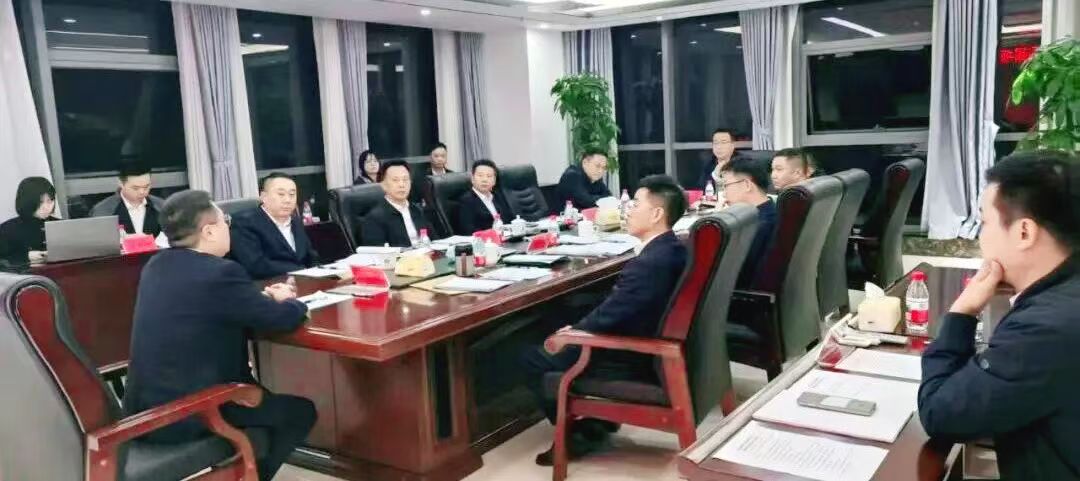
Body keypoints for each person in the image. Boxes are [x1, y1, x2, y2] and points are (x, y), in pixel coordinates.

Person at [123, 189, 315, 481]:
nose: (229, 228)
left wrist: (256, 301)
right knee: (300, 412)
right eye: (226, 221)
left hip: (145, 410)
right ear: (209, 231)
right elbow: (281, 319)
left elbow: (206, 306)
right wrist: (291, 302)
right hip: (193, 411)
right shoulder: (221, 273)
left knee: (266, 404)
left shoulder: (155, 266)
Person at [918, 150, 1080, 481]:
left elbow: (940, 413)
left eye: (984, 222)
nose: (981, 238)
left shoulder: (1045, 329)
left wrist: (962, 310)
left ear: (1024, 232)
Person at [522, 174, 689, 466]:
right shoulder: (672, 248)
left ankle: (575, 432)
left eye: (635, 204)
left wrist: (574, 333)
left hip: (632, 357)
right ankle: (593, 421)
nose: (628, 210)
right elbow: (619, 306)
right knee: (563, 315)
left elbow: (613, 313)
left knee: (531, 357)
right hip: (648, 338)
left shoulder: (649, 264)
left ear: (656, 214)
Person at [229, 172, 318, 280]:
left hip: (303, 281)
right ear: (263, 197)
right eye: (281, 194)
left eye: (292, 194)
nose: (287, 200)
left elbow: (310, 255)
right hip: (268, 285)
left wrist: (322, 271)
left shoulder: (295, 221)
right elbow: (256, 265)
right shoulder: (244, 222)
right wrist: (301, 271)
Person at [721, 158, 777, 287]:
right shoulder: (771, 211)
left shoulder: (756, 226)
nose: (724, 194)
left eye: (726, 186)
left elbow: (730, 270)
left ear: (747, 185)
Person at [361, 159, 437, 247]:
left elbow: (435, 242)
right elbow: (377, 252)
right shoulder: (374, 218)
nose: (401, 185)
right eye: (395, 180)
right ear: (383, 185)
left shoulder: (418, 210)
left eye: (405, 179)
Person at [89, 163, 165, 237]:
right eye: (135, 188)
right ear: (121, 184)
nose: (142, 192)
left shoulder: (161, 207)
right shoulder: (103, 211)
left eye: (146, 187)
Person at [0, 177, 59, 269]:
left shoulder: (60, 225)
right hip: (25, 276)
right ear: (27, 202)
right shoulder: (7, 230)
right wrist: (26, 257)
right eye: (41, 202)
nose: (46, 207)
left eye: (50, 201)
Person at [457, 159, 515, 234]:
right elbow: (468, 231)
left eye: (489, 176)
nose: (484, 180)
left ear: (494, 181)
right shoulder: (466, 201)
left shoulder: (498, 196)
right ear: (472, 179)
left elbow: (510, 220)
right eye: (480, 175)